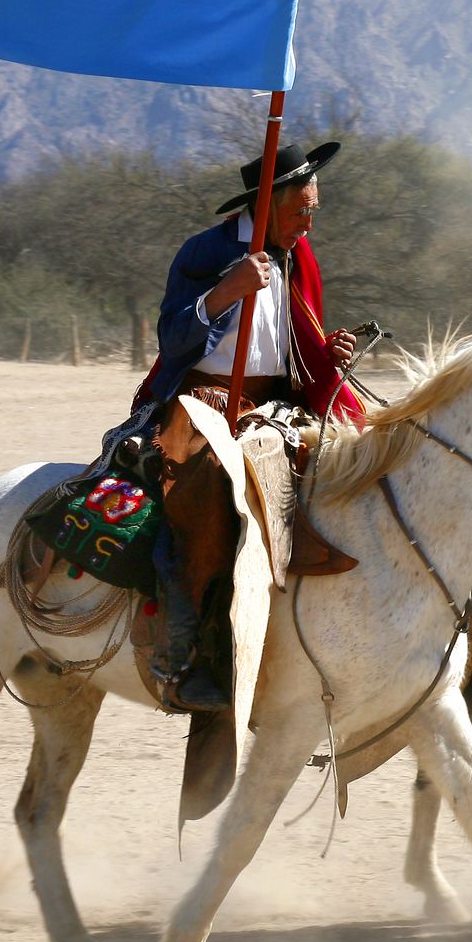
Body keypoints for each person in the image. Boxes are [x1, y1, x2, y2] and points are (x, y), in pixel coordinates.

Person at [137, 139, 363, 709]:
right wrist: (224, 293)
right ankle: (184, 649)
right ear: (266, 206)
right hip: (202, 399)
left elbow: (298, 343)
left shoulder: (297, 255)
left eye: (313, 210)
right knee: (208, 485)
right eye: (300, 211)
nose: (309, 223)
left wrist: (325, 353)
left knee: (351, 460)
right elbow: (172, 340)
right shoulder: (204, 252)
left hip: (272, 400)